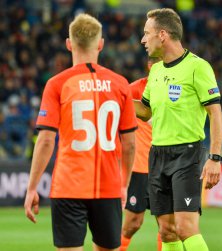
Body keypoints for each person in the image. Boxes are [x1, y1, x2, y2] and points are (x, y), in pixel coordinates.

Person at [24, 13, 137, 251]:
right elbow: (129, 144)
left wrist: (32, 187)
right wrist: (124, 185)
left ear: (69, 44)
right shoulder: (120, 84)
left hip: (68, 186)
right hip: (108, 185)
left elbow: (46, 140)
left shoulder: (57, 83)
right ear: (101, 44)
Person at [134, 8, 222, 251]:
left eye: (146, 33)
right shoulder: (157, 70)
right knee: (167, 231)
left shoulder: (198, 67)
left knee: (185, 228)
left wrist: (215, 158)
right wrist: (116, 98)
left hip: (187, 155)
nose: (143, 40)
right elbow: (144, 111)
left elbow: (215, 113)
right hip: (157, 154)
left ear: (162, 35)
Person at [120, 57, 162, 251]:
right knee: (132, 224)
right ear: (149, 65)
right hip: (139, 168)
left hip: (166, 167)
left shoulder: (177, 89)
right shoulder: (134, 89)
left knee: (168, 227)